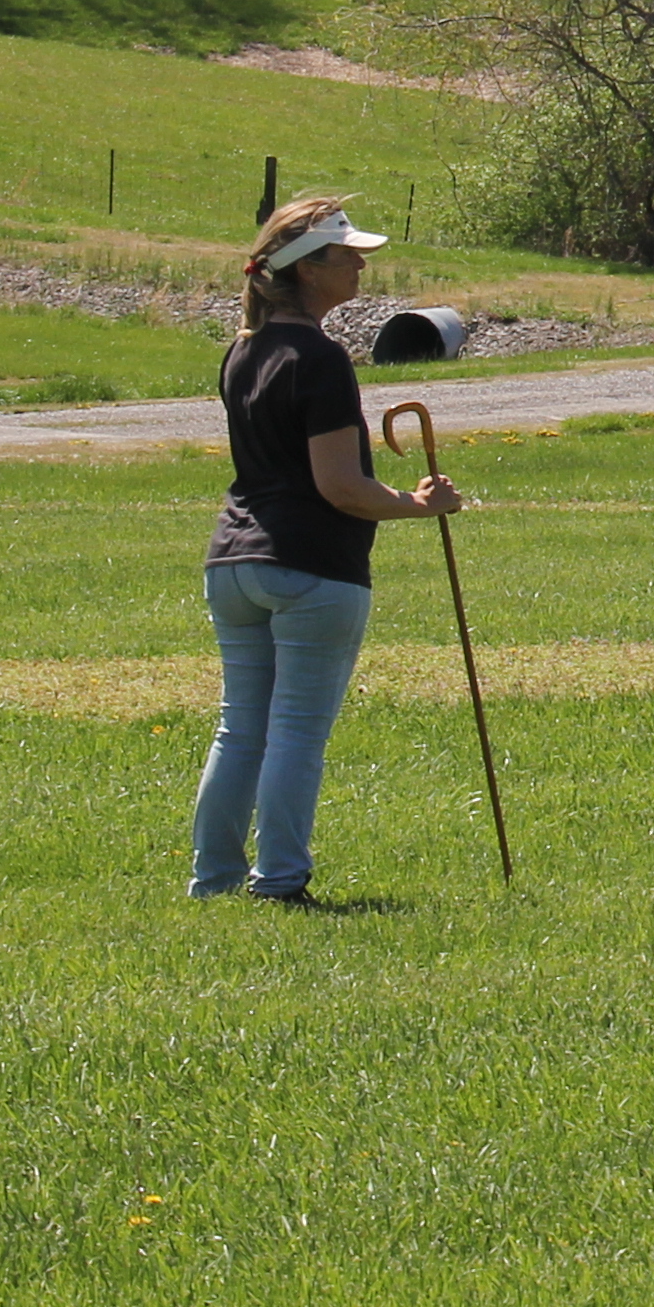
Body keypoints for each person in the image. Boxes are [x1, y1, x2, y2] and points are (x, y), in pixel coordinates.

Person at [188, 196, 461, 904]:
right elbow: (340, 487)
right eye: (346, 256)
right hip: (311, 567)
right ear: (306, 271)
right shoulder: (321, 357)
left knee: (240, 729)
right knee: (295, 735)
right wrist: (418, 505)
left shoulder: (242, 352)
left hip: (234, 562)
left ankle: (213, 880)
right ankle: (278, 881)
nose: (361, 266)